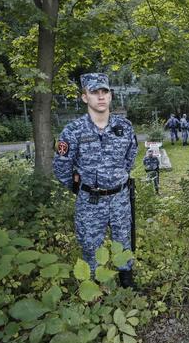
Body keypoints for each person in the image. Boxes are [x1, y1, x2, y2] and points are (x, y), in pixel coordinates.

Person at [53, 73, 138, 288]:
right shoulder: (73, 131)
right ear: (85, 97)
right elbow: (61, 166)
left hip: (120, 198)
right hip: (90, 200)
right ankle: (94, 289)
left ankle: (127, 283)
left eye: (105, 92)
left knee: (124, 241)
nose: (101, 97)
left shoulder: (124, 127)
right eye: (94, 92)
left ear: (110, 96)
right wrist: (79, 187)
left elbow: (130, 157)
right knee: (90, 245)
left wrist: (115, 179)